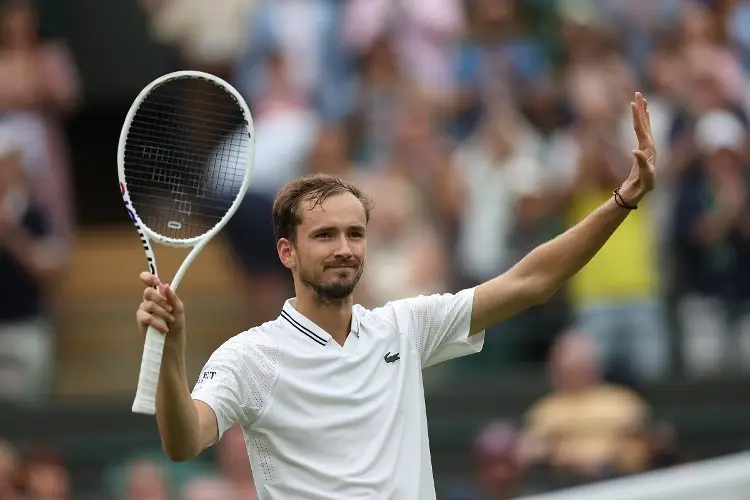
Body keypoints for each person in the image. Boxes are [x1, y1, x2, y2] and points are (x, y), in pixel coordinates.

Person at [135, 93, 656, 499]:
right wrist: (171, 352)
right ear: (286, 252)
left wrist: (621, 200)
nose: (344, 248)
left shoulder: (402, 327)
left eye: (355, 234)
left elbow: (530, 282)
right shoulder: (249, 357)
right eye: (324, 235)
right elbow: (183, 443)